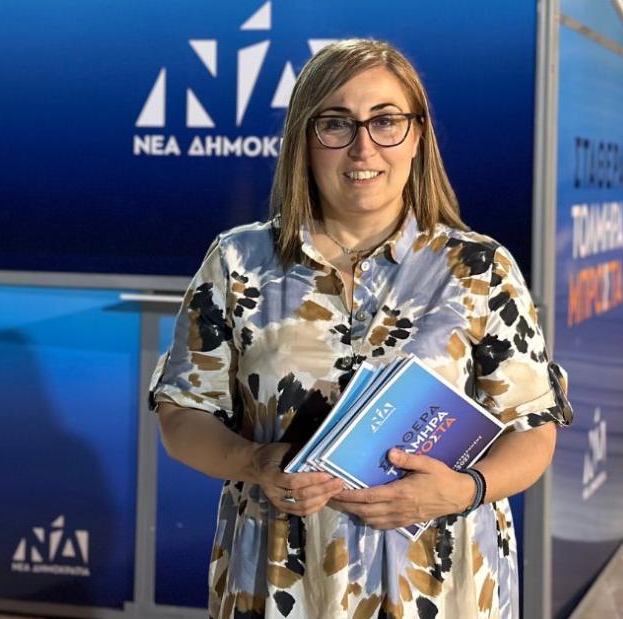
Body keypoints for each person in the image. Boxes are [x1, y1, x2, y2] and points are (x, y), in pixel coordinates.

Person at [149, 39, 571, 619]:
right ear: (304, 139)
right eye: (336, 123)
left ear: (417, 136)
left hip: (443, 591)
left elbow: (533, 432)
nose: (363, 146)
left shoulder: (479, 269)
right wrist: (254, 463)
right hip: (282, 587)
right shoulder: (237, 262)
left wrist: (463, 488)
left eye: (386, 121)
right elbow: (181, 417)